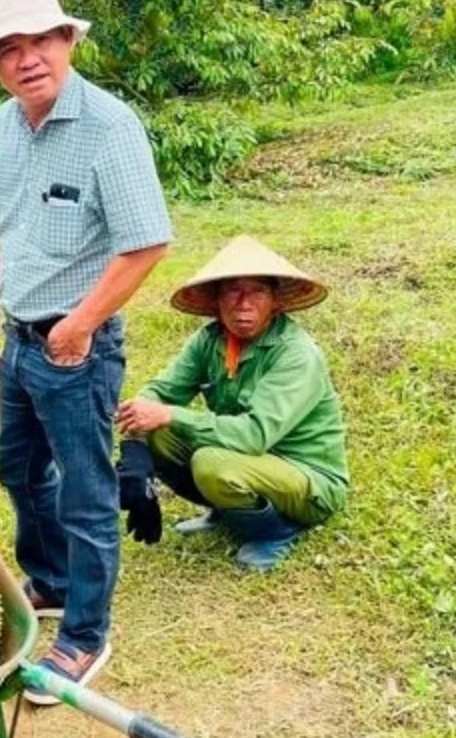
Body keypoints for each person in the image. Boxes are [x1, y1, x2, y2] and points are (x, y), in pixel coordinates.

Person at [0, 0, 173, 702]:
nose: (28, 59)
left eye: (41, 41)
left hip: (78, 348)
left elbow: (146, 243)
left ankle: (85, 634)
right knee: (19, 470)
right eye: (8, 49)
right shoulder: (4, 126)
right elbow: (0, 223)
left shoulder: (109, 128)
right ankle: (51, 579)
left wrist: (79, 326)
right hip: (20, 341)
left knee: (86, 493)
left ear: (68, 41)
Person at [117, 236, 349, 572]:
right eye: (232, 291)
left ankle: (276, 532)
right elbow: (161, 393)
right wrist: (136, 453)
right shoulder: (210, 339)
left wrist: (169, 414)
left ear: (276, 302)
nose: (244, 302)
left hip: (306, 477)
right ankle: (226, 510)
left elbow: (253, 436)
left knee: (211, 463)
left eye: (258, 291)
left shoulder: (296, 354)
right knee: (157, 431)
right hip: (245, 458)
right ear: (217, 300)